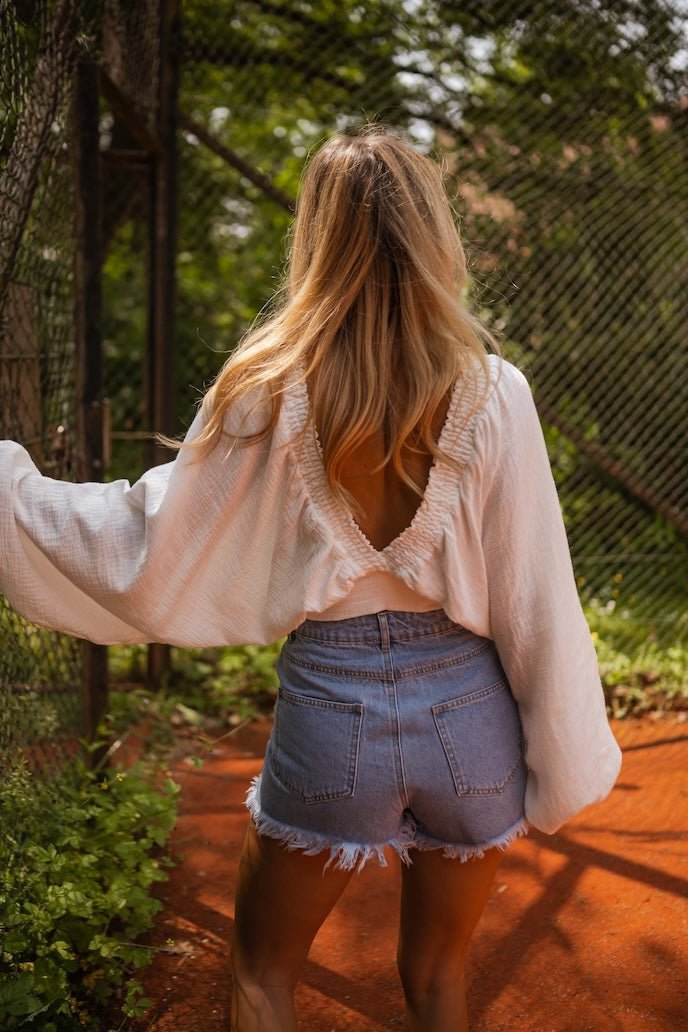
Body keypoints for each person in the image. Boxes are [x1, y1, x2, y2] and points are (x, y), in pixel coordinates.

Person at [0, 125, 621, 1031]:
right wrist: (561, 757)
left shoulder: (265, 388)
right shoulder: (496, 392)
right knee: (442, 977)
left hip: (333, 714)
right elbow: (538, 597)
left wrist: (10, 493)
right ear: (433, 234)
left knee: (260, 974)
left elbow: (149, 540)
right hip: (470, 722)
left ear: (316, 237)